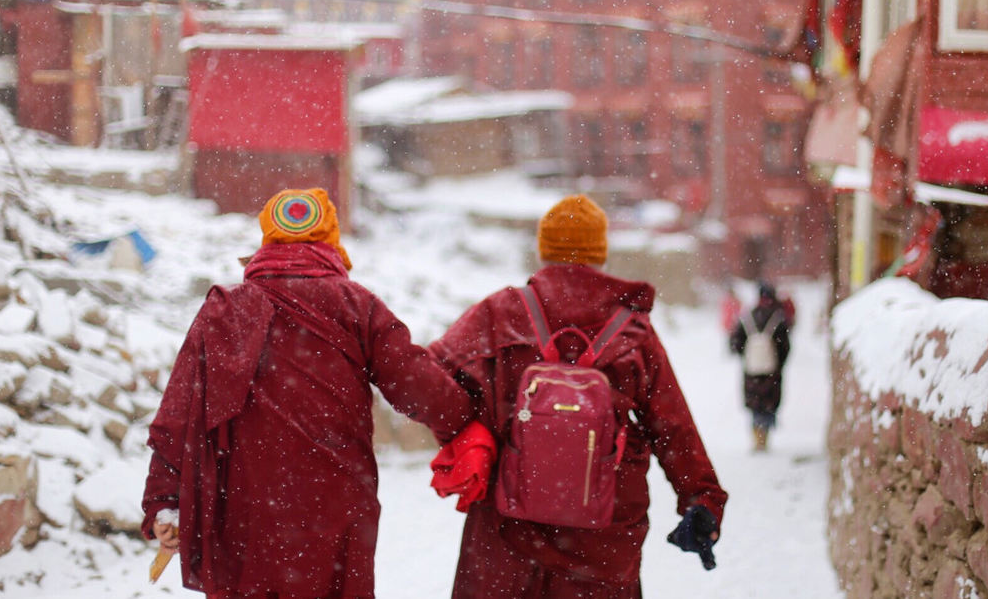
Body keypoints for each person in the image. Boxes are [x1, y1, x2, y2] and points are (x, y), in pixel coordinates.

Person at [140, 188, 475, 599]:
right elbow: (419, 389)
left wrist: (164, 500)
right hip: (335, 505)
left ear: (267, 238)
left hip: (245, 506)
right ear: (329, 240)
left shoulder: (227, 311)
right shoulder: (356, 306)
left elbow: (179, 413)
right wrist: (471, 416)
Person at [427, 194, 728, 599]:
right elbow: (671, 423)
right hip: (599, 543)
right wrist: (701, 497)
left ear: (544, 250)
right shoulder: (631, 329)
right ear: (600, 253)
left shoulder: (500, 312)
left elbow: (429, 379)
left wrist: (474, 427)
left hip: (509, 534)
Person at [728, 280, 793, 452]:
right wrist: (778, 362)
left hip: (752, 369)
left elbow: (735, 342)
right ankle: (765, 436)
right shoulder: (778, 317)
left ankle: (757, 434)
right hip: (771, 369)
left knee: (755, 402)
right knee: (769, 401)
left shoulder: (748, 316)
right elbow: (785, 346)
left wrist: (747, 355)